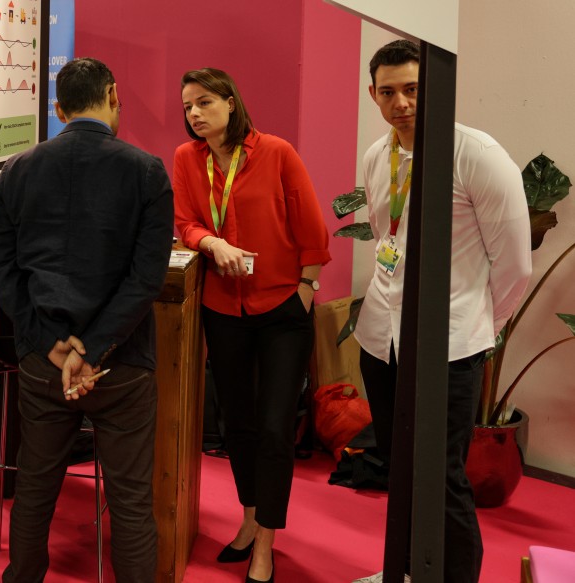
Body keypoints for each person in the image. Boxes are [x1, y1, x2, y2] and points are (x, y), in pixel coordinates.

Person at [0, 57, 175, 582]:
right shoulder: (147, 170)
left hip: (46, 365)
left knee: (35, 490)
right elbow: (146, 279)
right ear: (113, 95)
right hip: (123, 363)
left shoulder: (18, 170)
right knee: (131, 502)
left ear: (58, 108)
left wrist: (52, 345)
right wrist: (91, 348)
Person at [351, 41, 531, 583]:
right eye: (389, 92)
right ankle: (405, 570)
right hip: (382, 338)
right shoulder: (376, 156)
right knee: (398, 467)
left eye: (413, 89)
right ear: (373, 94)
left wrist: (476, 326)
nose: (402, 102)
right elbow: (388, 238)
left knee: (441, 474)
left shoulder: (474, 153)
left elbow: (515, 262)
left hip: (450, 345)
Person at [172, 67, 330, 583]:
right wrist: (210, 242)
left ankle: (266, 542)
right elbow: (185, 221)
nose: (194, 114)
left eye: (204, 103)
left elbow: (311, 226)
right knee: (234, 423)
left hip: (283, 307)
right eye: (187, 106)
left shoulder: (277, 152)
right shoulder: (185, 159)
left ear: (231, 103)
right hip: (223, 307)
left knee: (274, 426)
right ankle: (248, 517)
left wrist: (306, 290)